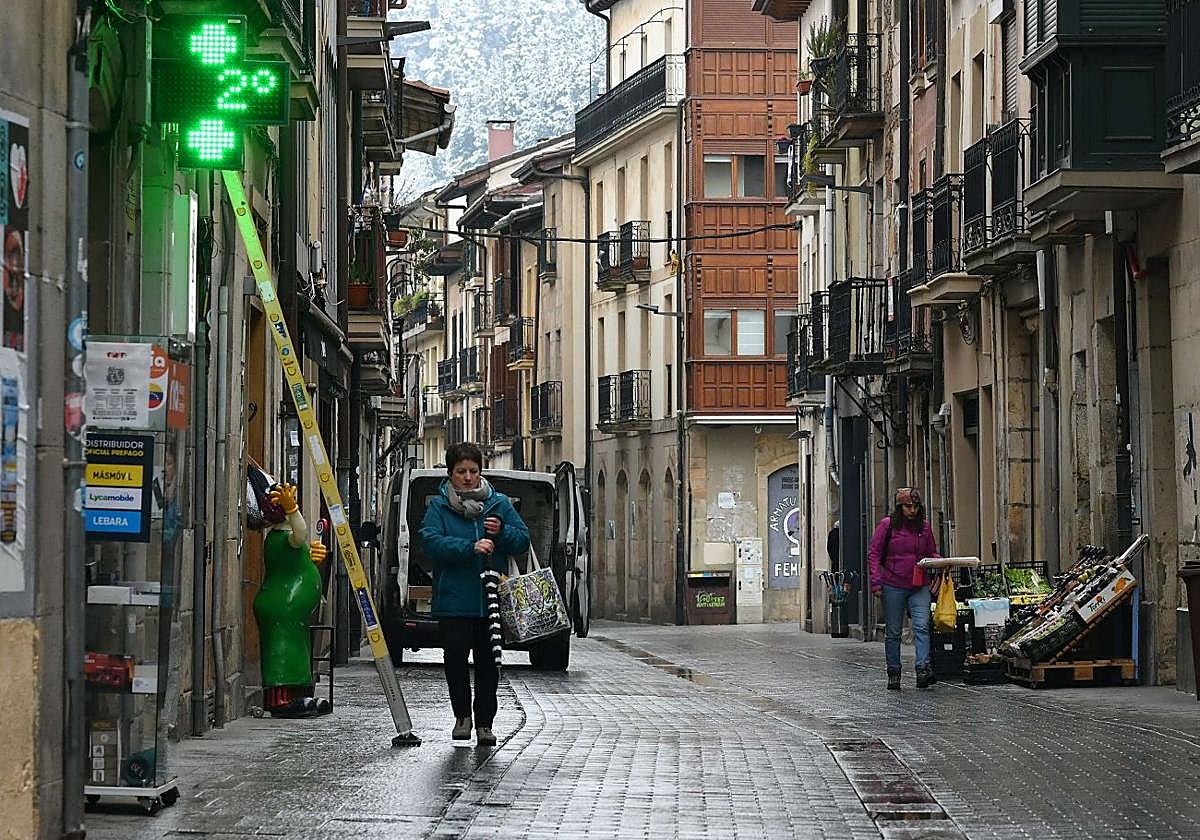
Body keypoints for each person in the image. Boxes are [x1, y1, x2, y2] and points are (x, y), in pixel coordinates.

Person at [420, 442, 530, 746]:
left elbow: (522, 540)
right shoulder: (438, 507)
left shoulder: (499, 504)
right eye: (461, 472)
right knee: (454, 658)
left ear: (481, 472)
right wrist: (469, 548)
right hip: (454, 600)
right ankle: (462, 718)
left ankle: (484, 723)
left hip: (490, 601)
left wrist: (502, 532)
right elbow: (430, 543)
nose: (468, 477)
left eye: (473, 471)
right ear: (450, 474)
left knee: (488, 663)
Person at [868, 487, 940, 690]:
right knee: (893, 632)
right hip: (893, 584)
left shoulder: (924, 527)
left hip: (919, 584)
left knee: (922, 626)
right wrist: (876, 582)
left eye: (916, 506)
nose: (913, 511)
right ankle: (893, 671)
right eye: (908, 506)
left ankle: (923, 668)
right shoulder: (887, 526)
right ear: (900, 507)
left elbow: (931, 551)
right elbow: (874, 554)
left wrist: (939, 562)